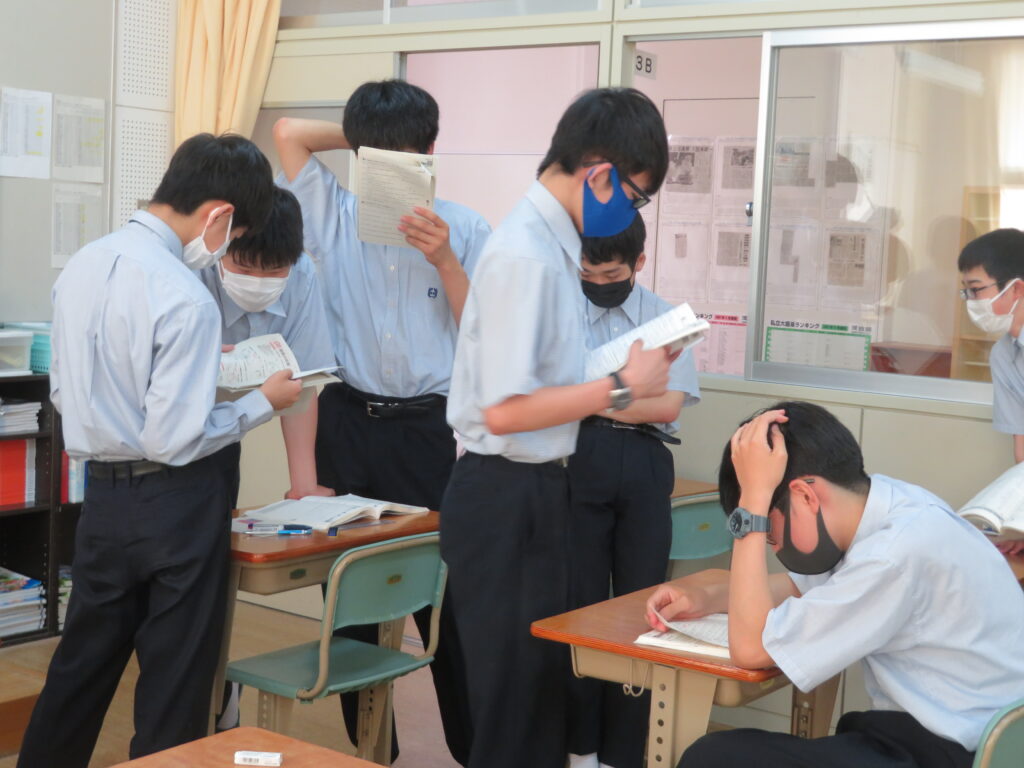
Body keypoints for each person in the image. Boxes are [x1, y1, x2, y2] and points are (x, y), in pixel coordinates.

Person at [17, 133, 302, 768]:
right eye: (234, 234)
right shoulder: (185, 295)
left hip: (101, 497)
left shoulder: (83, 265)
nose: (225, 247)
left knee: (79, 669)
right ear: (219, 215)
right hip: (177, 502)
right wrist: (263, 402)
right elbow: (175, 438)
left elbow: (65, 389)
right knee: (175, 678)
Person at [443, 86, 673, 768]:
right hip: (504, 491)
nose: (631, 212)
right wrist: (623, 386)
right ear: (600, 176)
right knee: (515, 711)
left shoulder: (547, 246)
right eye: (636, 197)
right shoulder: (528, 256)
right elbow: (505, 410)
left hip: (534, 488)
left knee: (538, 701)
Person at [273, 79, 491, 764]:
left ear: (432, 153)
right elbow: (288, 133)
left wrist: (444, 260)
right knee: (353, 606)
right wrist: (368, 140)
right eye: (376, 162)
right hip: (349, 423)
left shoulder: (466, 228)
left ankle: (476, 751)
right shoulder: (333, 213)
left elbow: (487, 335)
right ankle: (374, 751)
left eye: (409, 160)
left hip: (431, 432)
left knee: (451, 609)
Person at [644, 401, 1024, 768]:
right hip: (973, 738)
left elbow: (750, 649)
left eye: (768, 531)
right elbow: (799, 587)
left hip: (953, 753)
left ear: (805, 496)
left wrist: (753, 504)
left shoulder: (890, 557)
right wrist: (707, 596)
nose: (772, 546)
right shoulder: (893, 507)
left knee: (716, 757)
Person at [197, 186, 336, 731]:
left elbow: (300, 385)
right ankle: (200, 706)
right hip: (166, 435)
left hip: (221, 441)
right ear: (224, 244)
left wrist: (304, 484)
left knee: (210, 581)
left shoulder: (303, 278)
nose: (257, 278)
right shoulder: (191, 273)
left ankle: (217, 704)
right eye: (244, 264)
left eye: (272, 268)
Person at [568, 214, 700, 768]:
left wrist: (588, 396)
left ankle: (623, 754)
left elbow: (666, 406)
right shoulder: (560, 310)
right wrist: (622, 394)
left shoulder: (667, 319)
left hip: (645, 461)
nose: (598, 284)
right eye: (588, 273)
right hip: (576, 460)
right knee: (578, 608)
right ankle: (581, 751)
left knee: (642, 609)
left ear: (639, 263)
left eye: (612, 274)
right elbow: (547, 395)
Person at [958, 228, 1024, 555]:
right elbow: (1022, 447)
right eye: (966, 292)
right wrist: (1018, 523)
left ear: (1016, 289)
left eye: (976, 289)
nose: (971, 302)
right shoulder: (1004, 355)